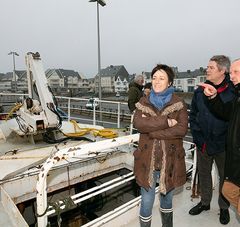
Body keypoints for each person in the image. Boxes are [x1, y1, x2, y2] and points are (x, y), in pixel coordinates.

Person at [133, 64, 188, 227]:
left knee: (166, 202)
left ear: (170, 82)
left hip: (170, 163)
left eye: (161, 78)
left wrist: (153, 131)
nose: (156, 81)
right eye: (154, 78)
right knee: (146, 204)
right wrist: (166, 121)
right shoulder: (143, 102)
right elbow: (139, 123)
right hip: (146, 162)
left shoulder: (179, 103)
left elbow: (182, 129)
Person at [189, 55, 235, 225]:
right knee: (204, 174)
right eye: (207, 67)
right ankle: (205, 202)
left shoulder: (233, 92)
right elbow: (193, 116)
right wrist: (197, 136)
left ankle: (223, 207)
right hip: (203, 143)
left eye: (211, 68)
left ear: (223, 71)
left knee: (224, 177)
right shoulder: (199, 92)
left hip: (223, 145)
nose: (206, 70)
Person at [201, 58, 240, 217]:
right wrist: (213, 97)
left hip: (226, 149)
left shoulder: (234, 92)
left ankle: (226, 210)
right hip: (230, 153)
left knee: (227, 185)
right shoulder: (238, 95)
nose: (232, 76)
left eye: (236, 72)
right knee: (228, 189)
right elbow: (225, 112)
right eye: (231, 72)